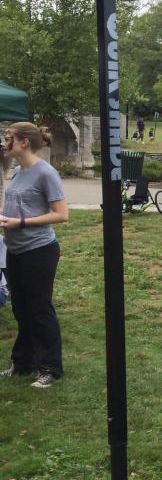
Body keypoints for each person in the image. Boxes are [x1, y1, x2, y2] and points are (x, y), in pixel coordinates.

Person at [0, 123, 69, 389]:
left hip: (39, 251)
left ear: (24, 142)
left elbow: (62, 214)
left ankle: (51, 368)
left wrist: (22, 222)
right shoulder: (18, 171)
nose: (6, 143)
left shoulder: (45, 172)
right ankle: (23, 363)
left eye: (9, 139)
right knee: (21, 309)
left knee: (39, 310)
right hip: (15, 251)